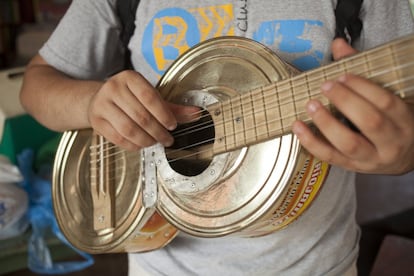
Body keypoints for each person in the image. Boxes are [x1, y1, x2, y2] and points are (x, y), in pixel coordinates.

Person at [20, 0, 414, 275]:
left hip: (316, 265)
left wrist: (403, 155)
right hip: (159, 264)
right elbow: (35, 87)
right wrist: (92, 102)